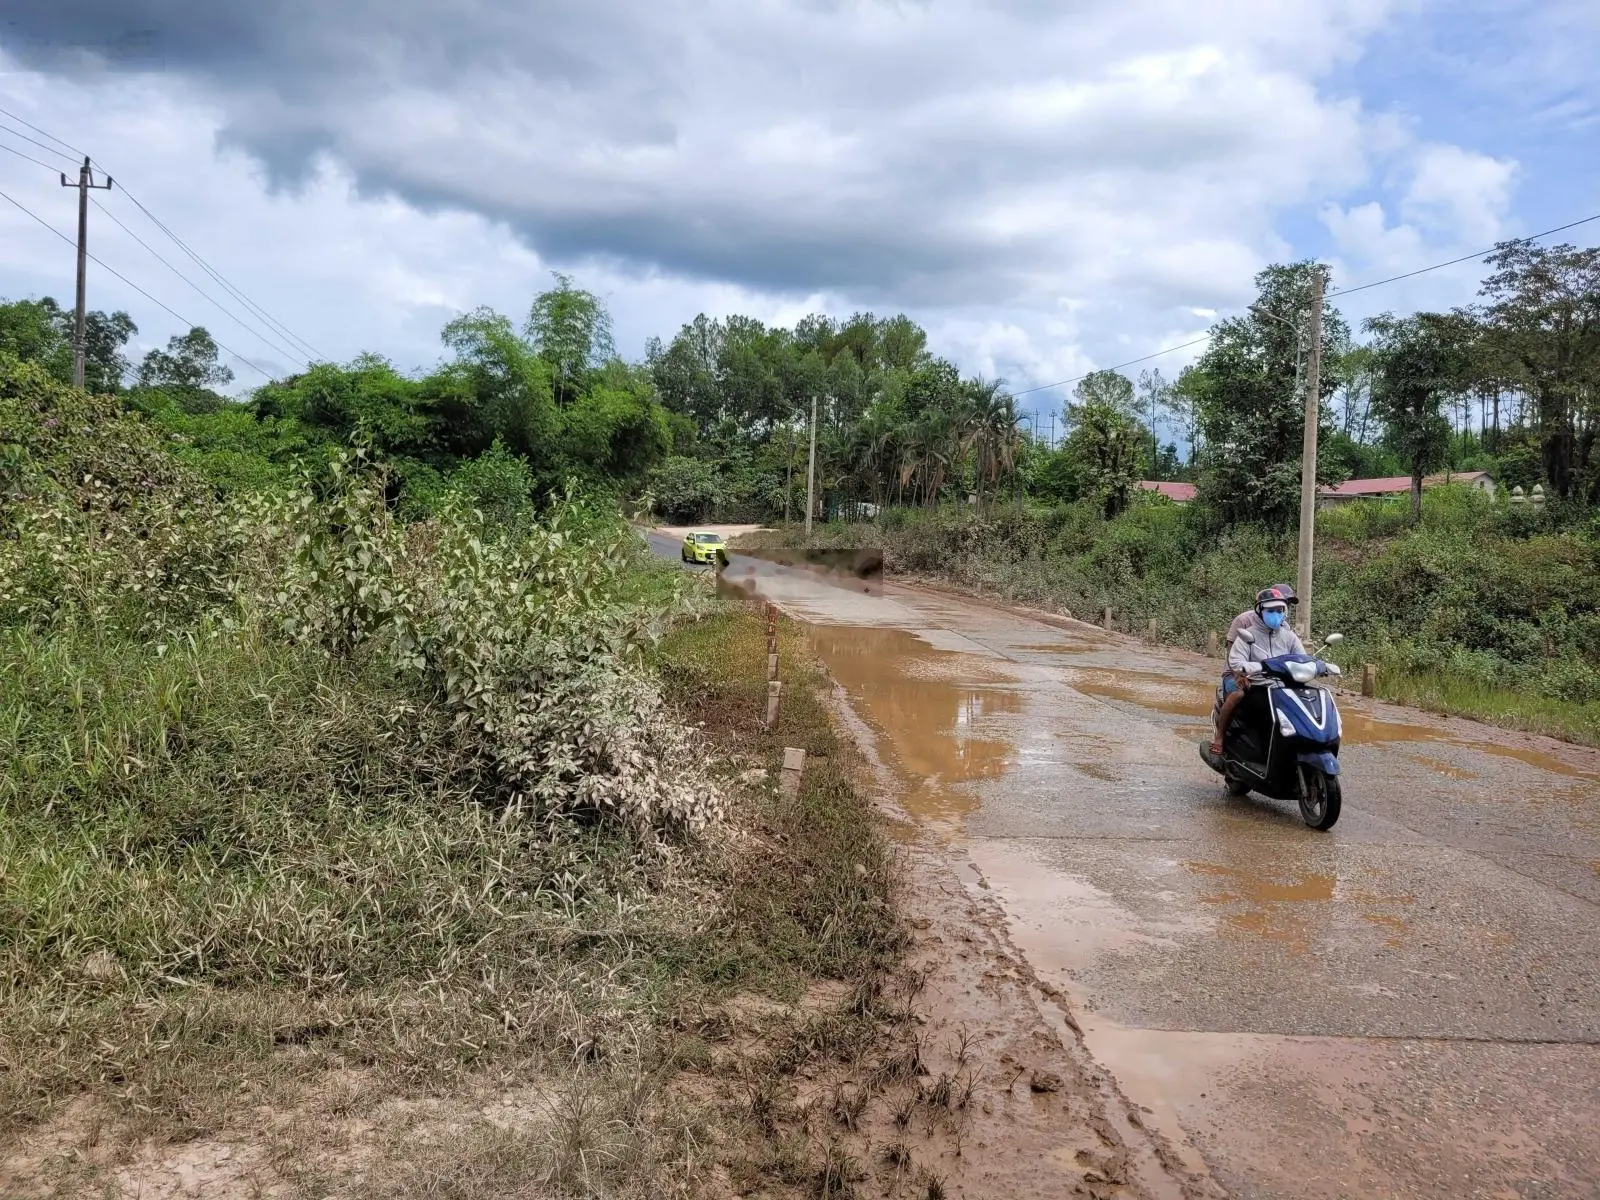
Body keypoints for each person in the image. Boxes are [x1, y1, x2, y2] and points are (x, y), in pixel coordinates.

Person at [1208, 584, 1308, 757]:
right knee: (1238, 695)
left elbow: (1299, 657)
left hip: (1275, 678)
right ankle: (1220, 738)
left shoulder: (1286, 630)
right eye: (1272, 608)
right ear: (1261, 608)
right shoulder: (1245, 623)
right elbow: (1233, 653)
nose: (1280, 612)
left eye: (1283, 607)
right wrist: (1239, 674)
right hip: (1244, 675)